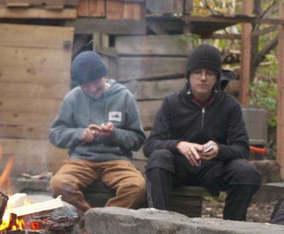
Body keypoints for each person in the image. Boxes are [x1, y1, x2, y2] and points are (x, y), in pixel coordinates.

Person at [143, 44, 262, 221]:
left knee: (247, 172)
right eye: (197, 72)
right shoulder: (171, 103)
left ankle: (232, 229)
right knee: (158, 158)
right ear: (189, 75)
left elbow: (242, 149)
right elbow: (150, 145)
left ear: (217, 77)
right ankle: (156, 223)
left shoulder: (229, 105)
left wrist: (219, 150)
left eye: (210, 73)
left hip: (213, 168)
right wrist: (179, 145)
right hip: (178, 167)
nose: (203, 78)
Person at [49, 50, 147, 214]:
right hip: (80, 160)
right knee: (57, 184)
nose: (93, 89)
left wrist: (114, 134)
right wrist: (80, 134)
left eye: (96, 83)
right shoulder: (72, 98)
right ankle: (88, 220)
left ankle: (104, 219)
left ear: (104, 76)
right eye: (86, 86)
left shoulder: (124, 97)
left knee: (137, 187)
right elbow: (55, 134)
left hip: (117, 161)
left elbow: (138, 139)